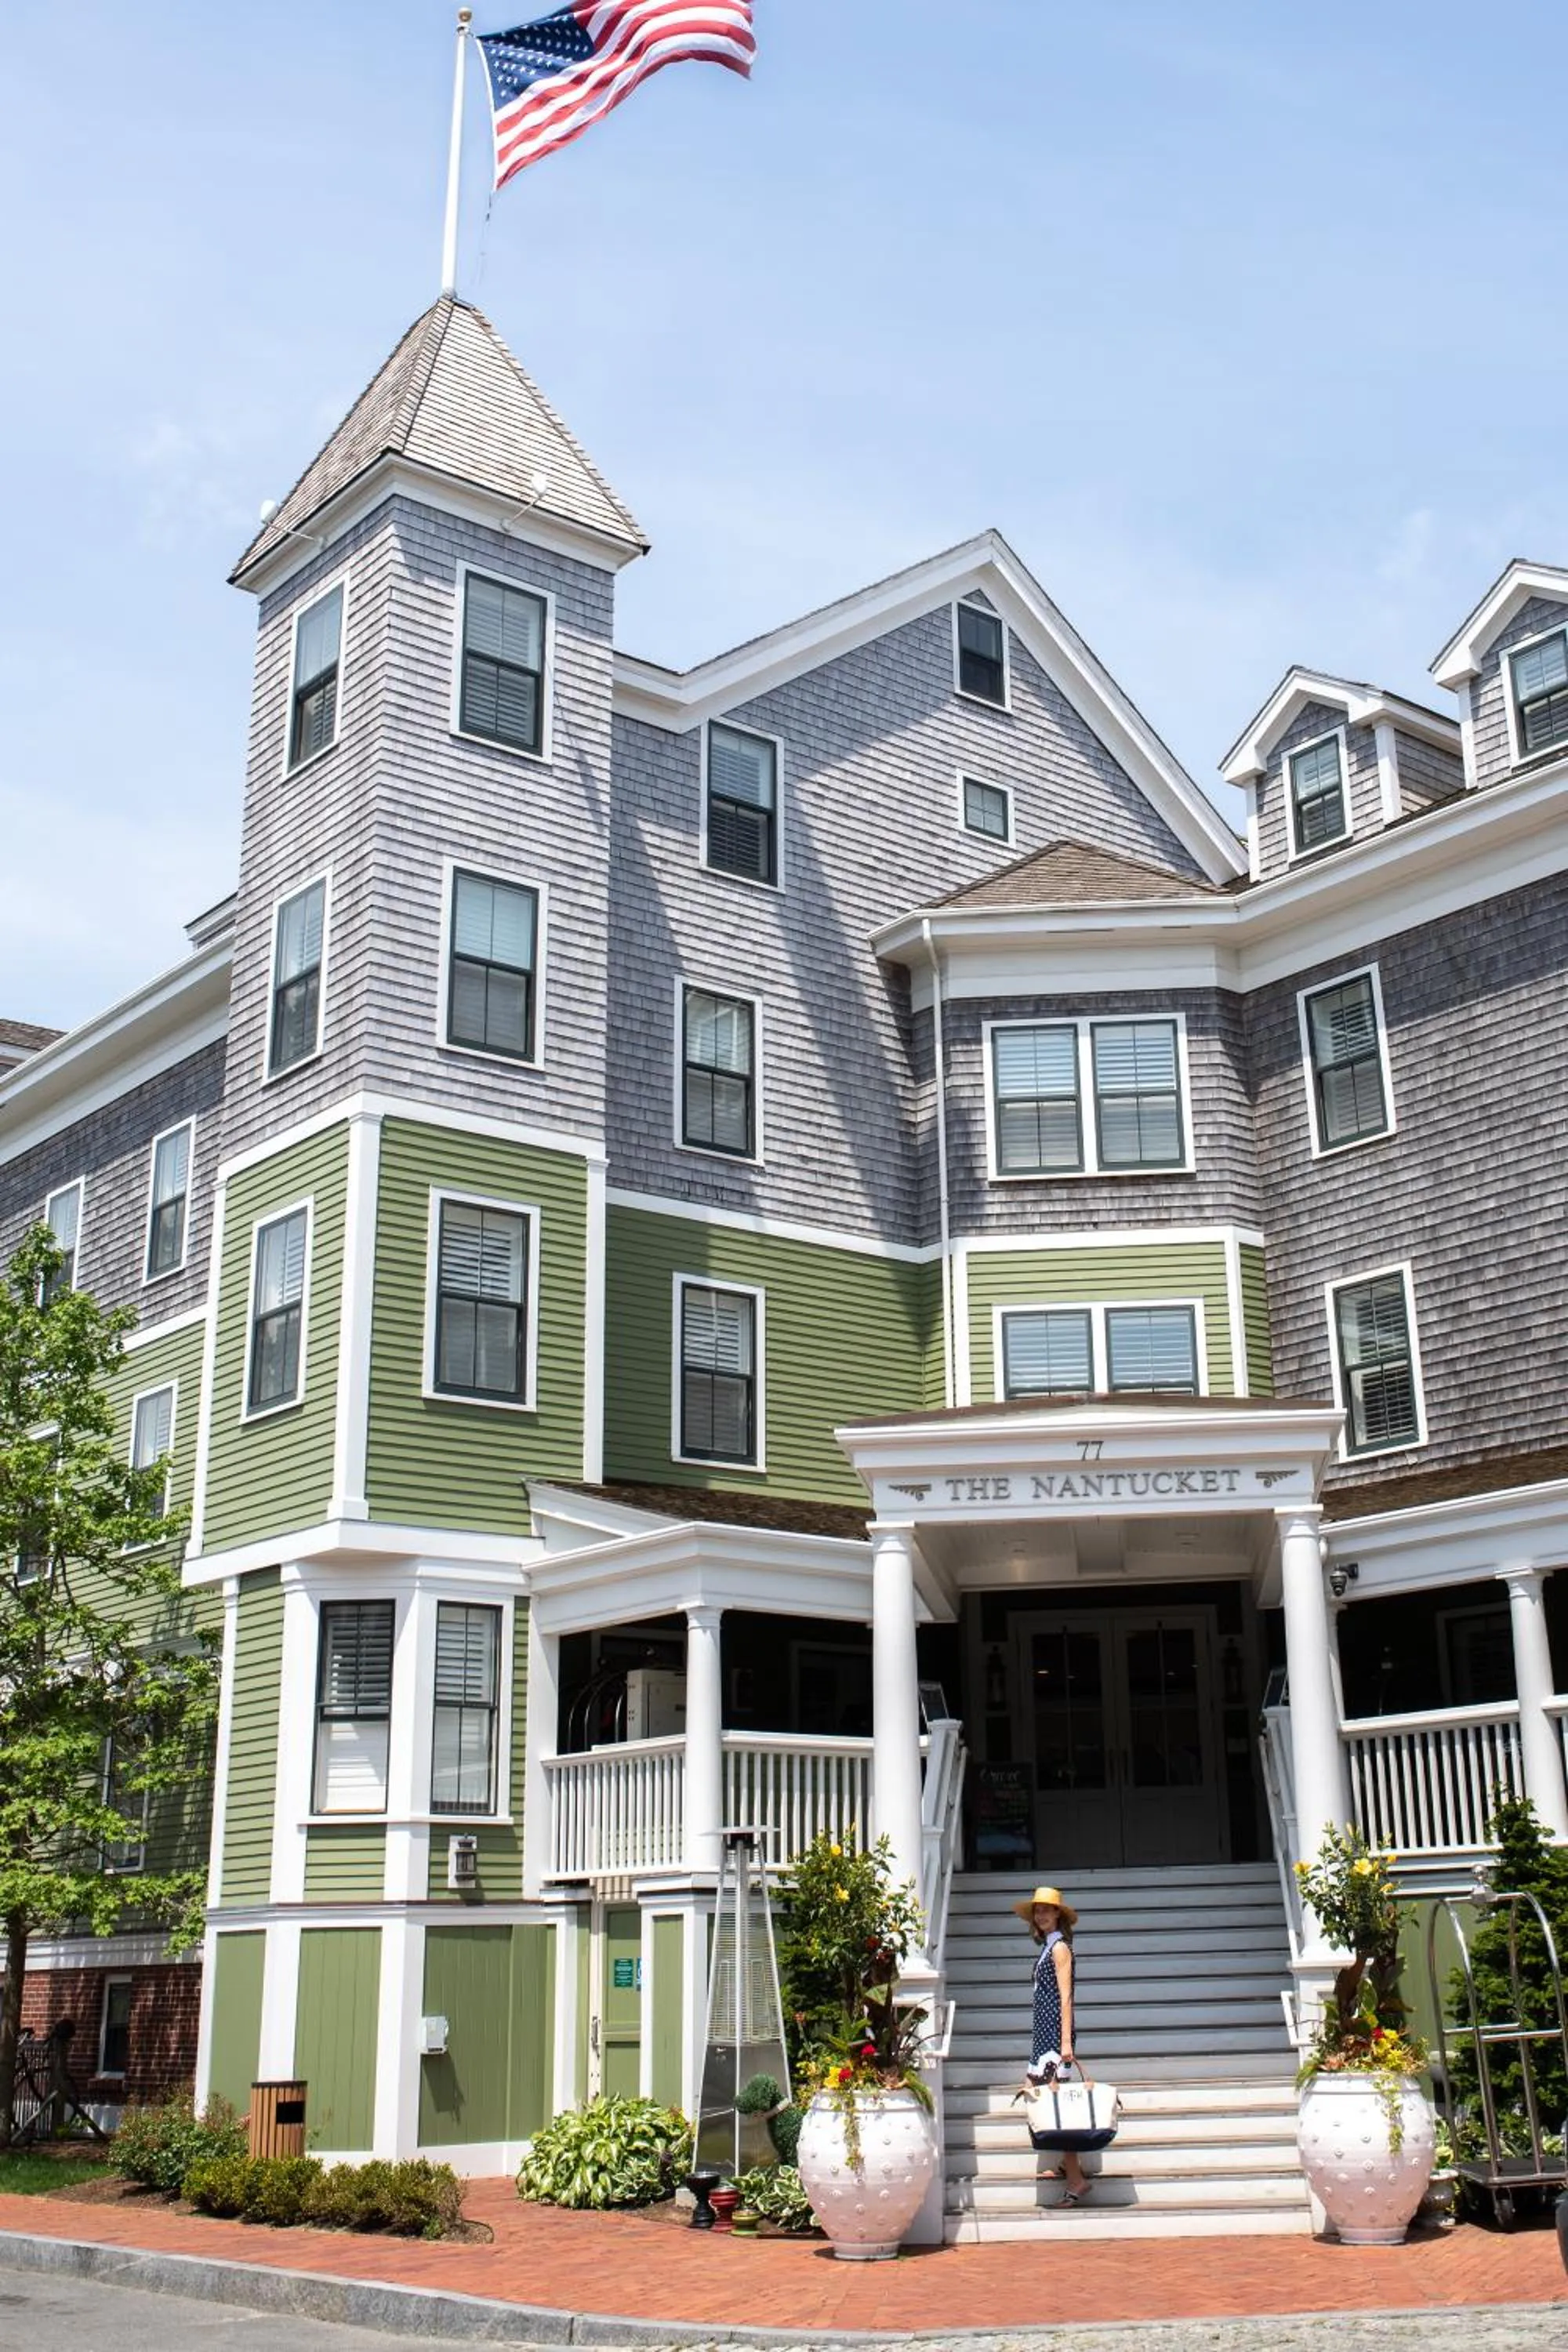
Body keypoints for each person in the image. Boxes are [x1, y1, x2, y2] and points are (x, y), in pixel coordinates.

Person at [1013, 1883, 1089, 2205]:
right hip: (1042, 2037)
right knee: (1041, 2101)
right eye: (1038, 1911)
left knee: (1060, 2109)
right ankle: (1067, 2165)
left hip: (1055, 2041)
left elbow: (1066, 1997)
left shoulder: (1060, 1949)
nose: (1041, 1915)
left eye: (1046, 1910)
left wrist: (1065, 2043)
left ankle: (1075, 2179)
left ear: (1058, 1914)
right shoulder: (1048, 1947)